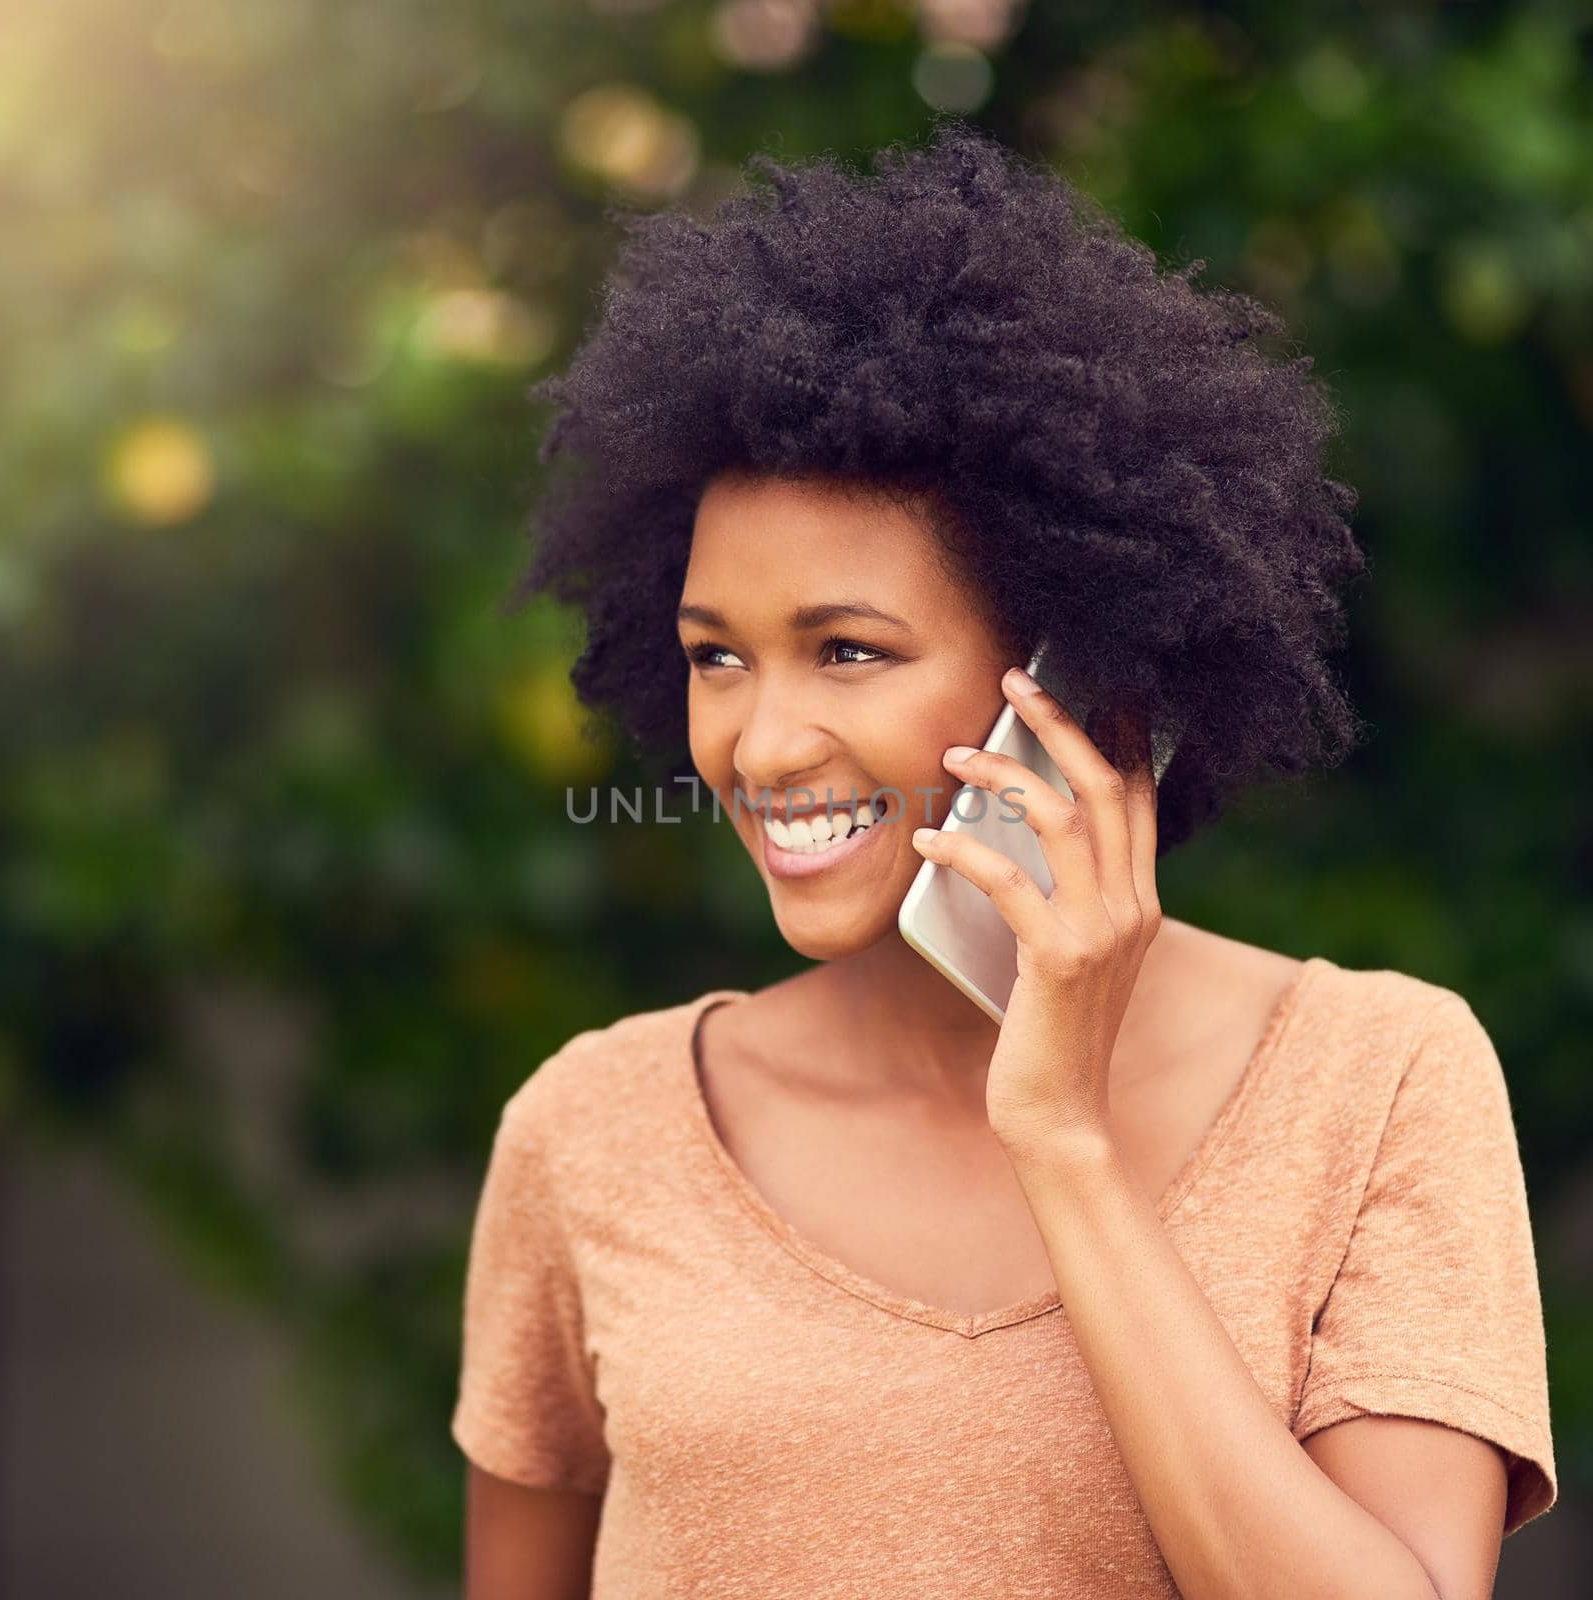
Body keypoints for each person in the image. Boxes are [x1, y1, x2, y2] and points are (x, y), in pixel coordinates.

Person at [450, 119, 1556, 1599]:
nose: (762, 746)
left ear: (1074, 689)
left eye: (848, 650)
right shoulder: (595, 1133)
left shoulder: (1380, 1081)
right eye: (717, 658)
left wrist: (1066, 1145)